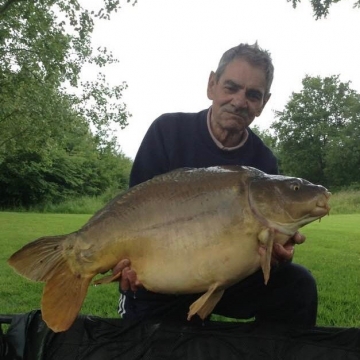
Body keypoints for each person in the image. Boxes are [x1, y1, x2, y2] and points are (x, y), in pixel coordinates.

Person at [113, 42, 317, 328]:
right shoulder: (168, 131)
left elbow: (261, 247)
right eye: (231, 87)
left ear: (263, 103)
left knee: (298, 286)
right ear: (212, 85)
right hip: (163, 275)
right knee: (158, 342)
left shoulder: (264, 162)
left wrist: (278, 254)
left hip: (228, 277)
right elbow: (130, 213)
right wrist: (124, 262)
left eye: (253, 95)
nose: (239, 101)